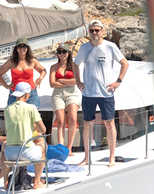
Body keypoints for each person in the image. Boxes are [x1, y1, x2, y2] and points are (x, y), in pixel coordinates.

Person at [73, 20, 129, 167]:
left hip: (106, 93)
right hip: (88, 93)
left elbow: (125, 63)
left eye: (97, 30)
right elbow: (75, 64)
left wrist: (118, 81)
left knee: (109, 123)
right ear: (88, 32)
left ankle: (111, 157)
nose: (95, 33)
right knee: (87, 124)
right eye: (92, 30)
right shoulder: (84, 48)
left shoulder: (110, 47)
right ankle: (87, 158)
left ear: (102, 31)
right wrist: (78, 80)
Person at [0, 82, 47, 190]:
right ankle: (37, 182)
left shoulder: (7, 109)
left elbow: (7, 131)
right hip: (26, 153)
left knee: (4, 146)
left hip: (10, 154)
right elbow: (43, 130)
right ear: (26, 94)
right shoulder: (31, 108)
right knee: (43, 145)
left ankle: (5, 182)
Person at [0, 37, 47, 107]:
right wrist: (6, 86)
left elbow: (43, 71)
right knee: (13, 116)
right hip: (15, 94)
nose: (22, 49)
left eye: (24, 46)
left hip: (30, 94)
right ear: (16, 48)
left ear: (27, 48)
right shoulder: (11, 62)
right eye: (20, 46)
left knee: (34, 117)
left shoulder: (32, 61)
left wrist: (40, 79)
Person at [49, 43, 80, 156]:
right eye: (59, 52)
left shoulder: (74, 65)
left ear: (68, 53)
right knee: (60, 121)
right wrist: (68, 81)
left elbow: (77, 81)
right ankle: (61, 146)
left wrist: (61, 81)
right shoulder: (53, 67)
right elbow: (52, 84)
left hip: (72, 94)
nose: (62, 54)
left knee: (72, 119)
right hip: (58, 95)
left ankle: (69, 147)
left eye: (64, 52)